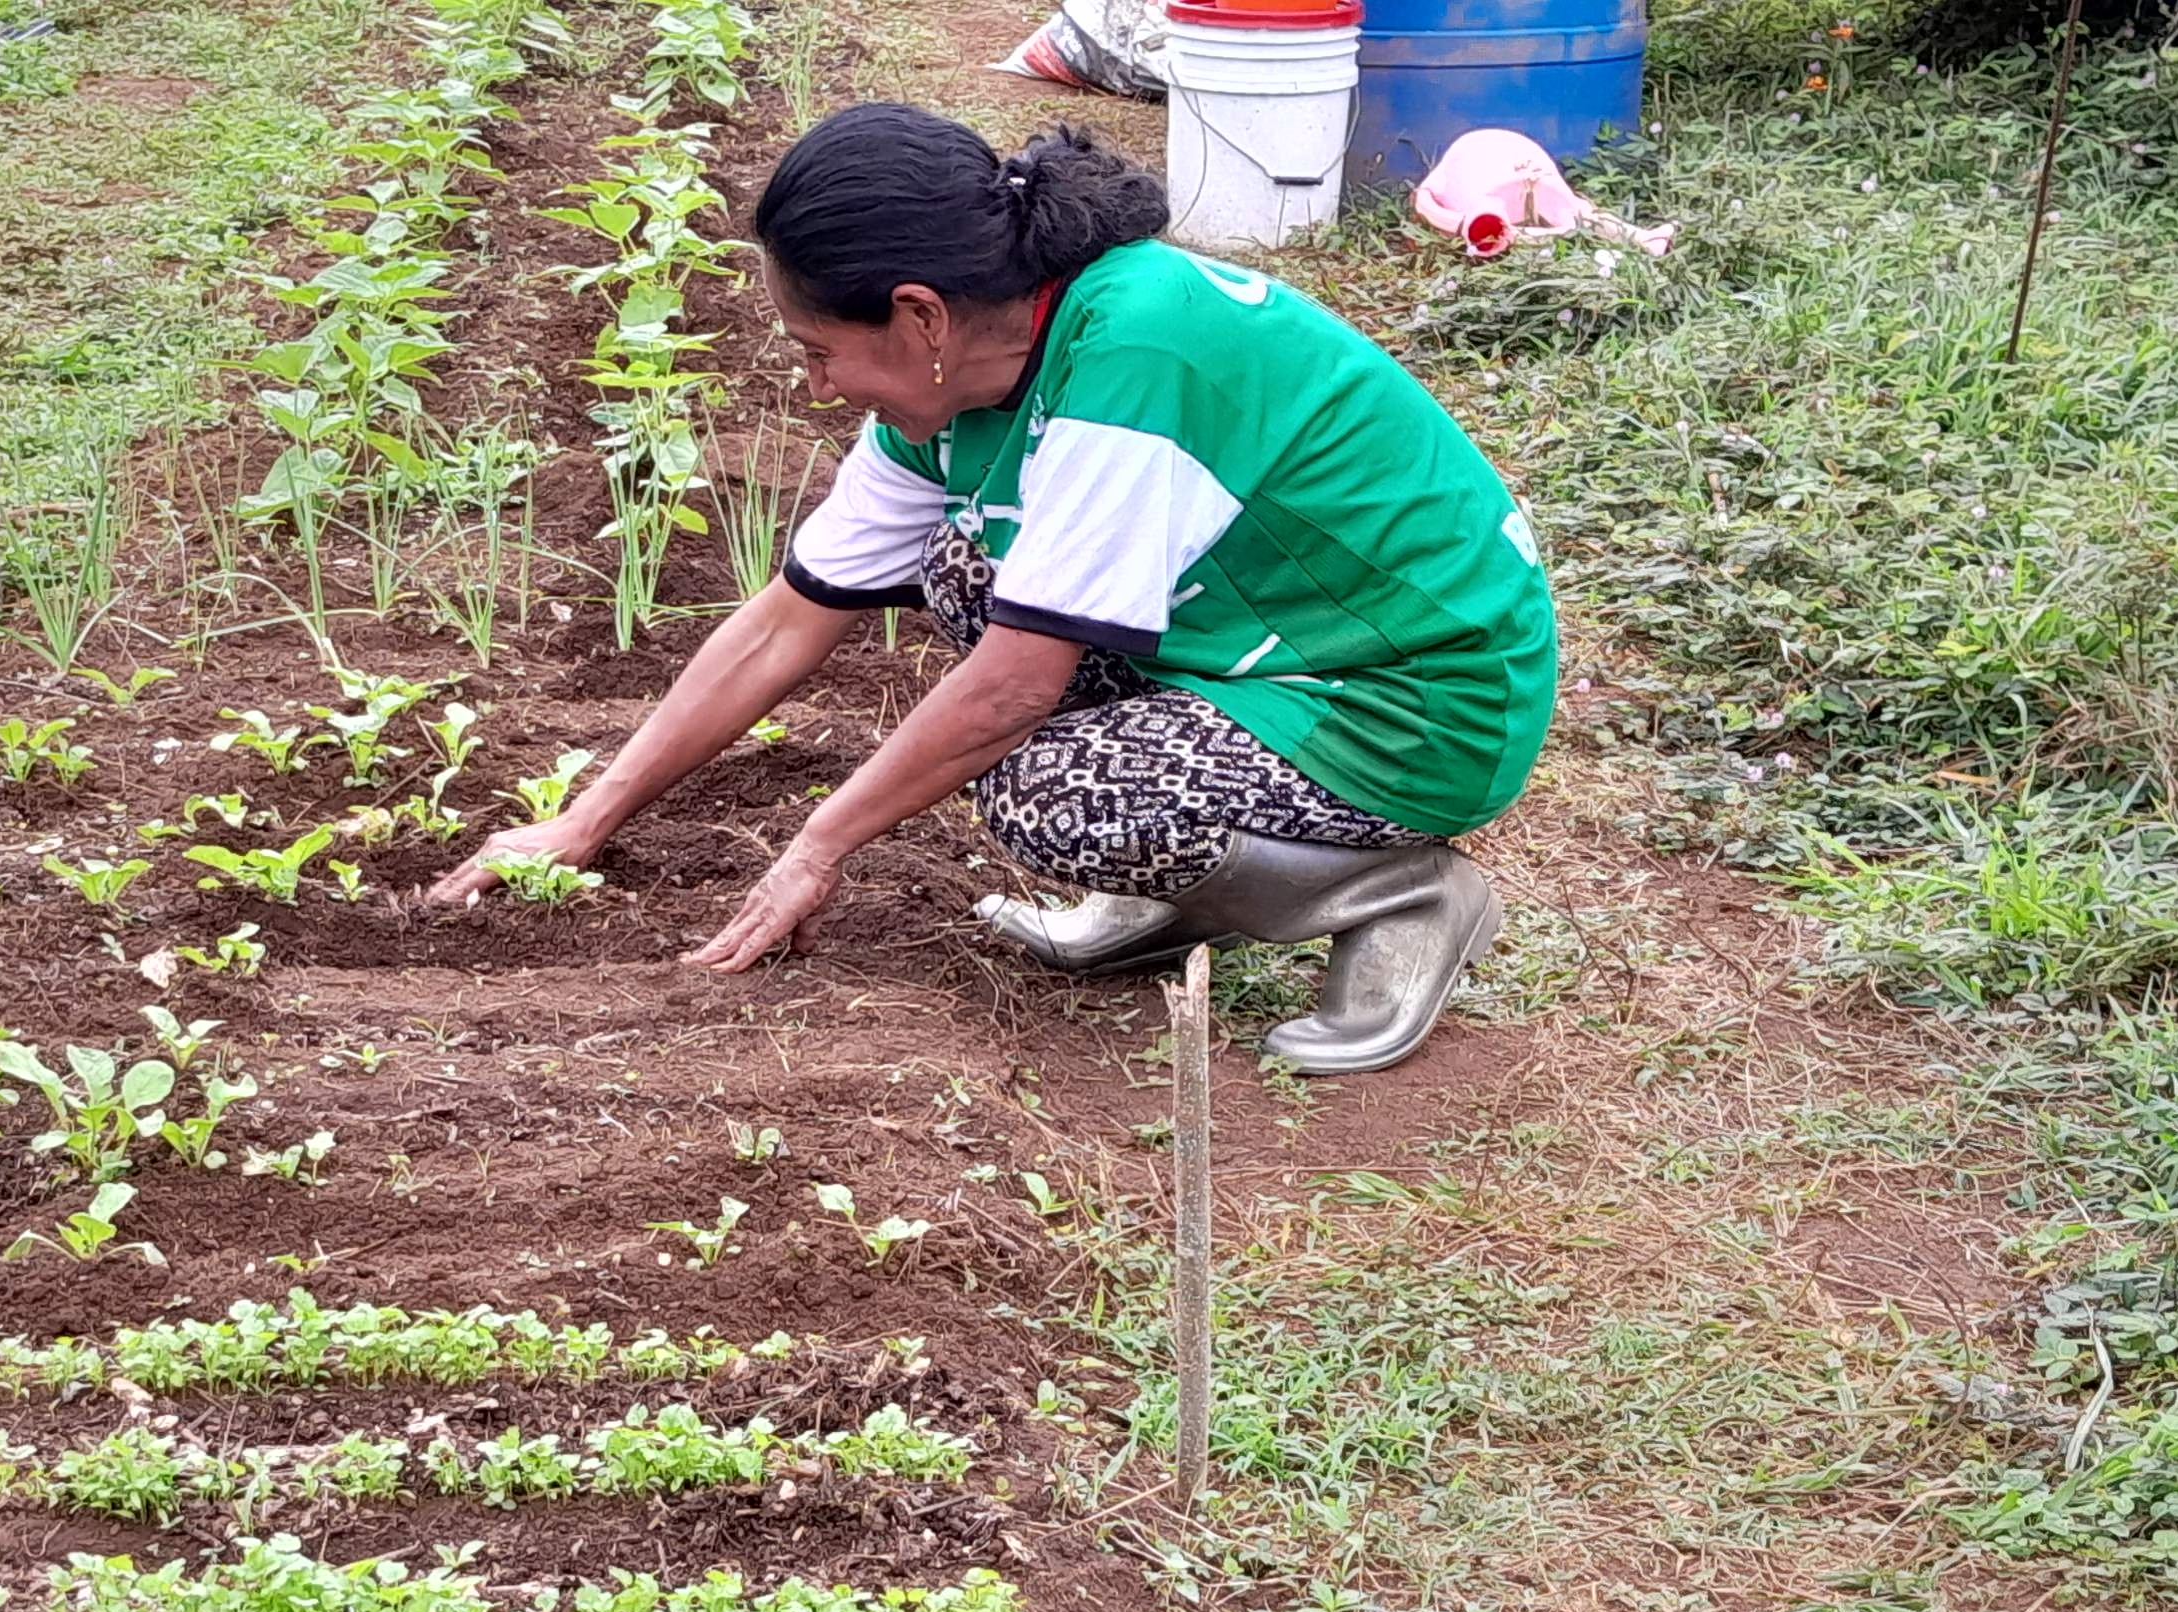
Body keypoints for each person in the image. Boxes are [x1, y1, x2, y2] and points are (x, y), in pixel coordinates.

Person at [435, 102, 1556, 1073]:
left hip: (1411, 696)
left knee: (1051, 792)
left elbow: (1018, 685)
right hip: (1262, 644)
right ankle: (1176, 879)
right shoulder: (955, 390)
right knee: (972, 568)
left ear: (920, 317)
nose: (812, 383)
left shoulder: (1134, 353)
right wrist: (583, 820)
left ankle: (1397, 894)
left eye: (819, 348)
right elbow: (787, 617)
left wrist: (818, 847)